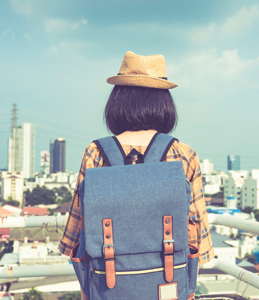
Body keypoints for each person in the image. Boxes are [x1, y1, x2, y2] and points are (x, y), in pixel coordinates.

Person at [58, 51, 214, 298]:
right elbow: (197, 236)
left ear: (117, 101)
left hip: (108, 282)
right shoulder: (184, 154)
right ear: (164, 104)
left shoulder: (95, 152)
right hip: (169, 280)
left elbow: (76, 233)